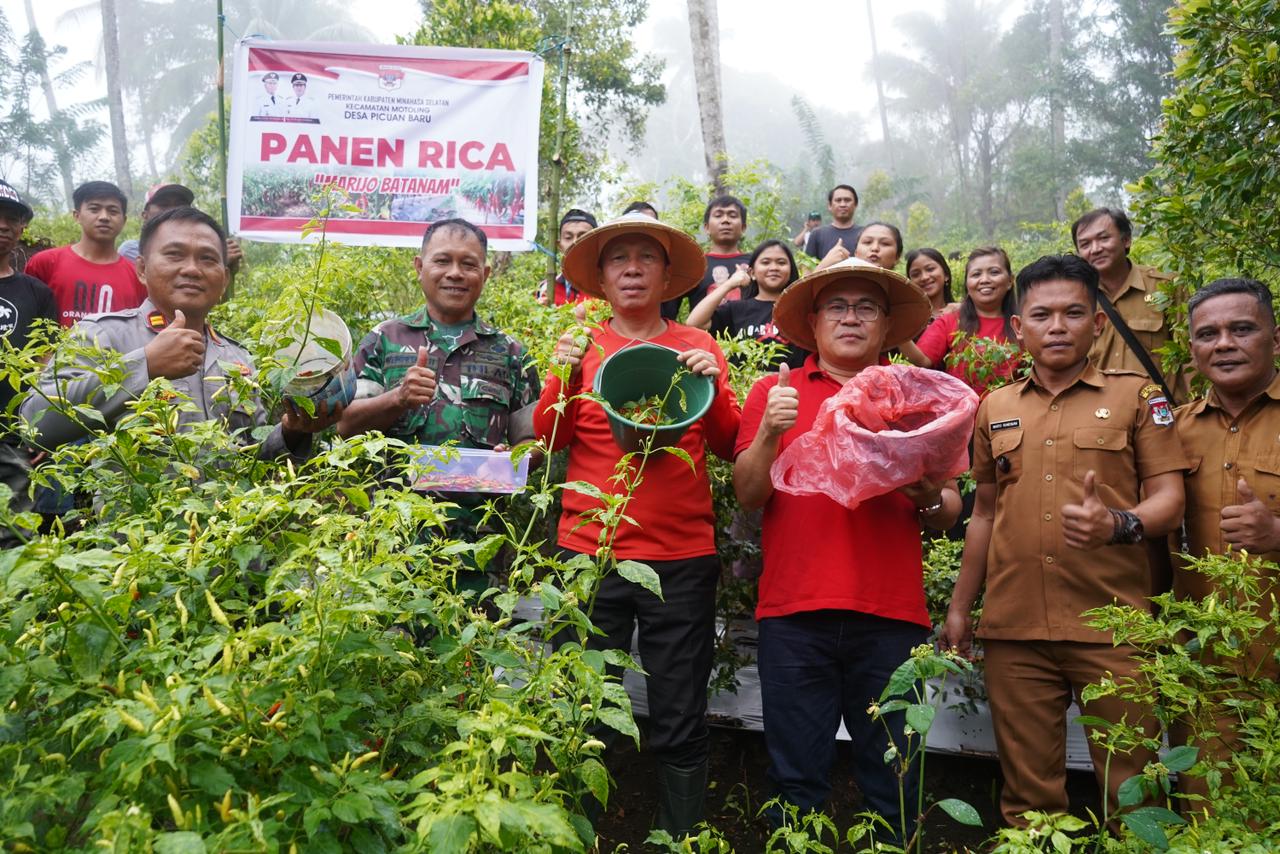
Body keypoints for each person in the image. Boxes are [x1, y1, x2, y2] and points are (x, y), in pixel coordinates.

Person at [940, 254, 1186, 827]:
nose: (1057, 326)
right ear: (1018, 326)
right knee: (1027, 801)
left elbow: (1169, 500)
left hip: (1113, 628)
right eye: (1042, 314)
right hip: (1014, 628)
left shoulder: (1138, 397)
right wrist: (959, 608)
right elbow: (984, 515)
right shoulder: (994, 407)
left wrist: (1117, 525)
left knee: (1135, 793)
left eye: (1074, 313)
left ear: (1098, 323)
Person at [733, 256, 959, 840]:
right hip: (794, 614)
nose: (851, 318)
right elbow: (749, 495)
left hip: (890, 617)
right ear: (813, 321)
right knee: (796, 780)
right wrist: (767, 434)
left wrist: (928, 493)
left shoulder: (914, 399)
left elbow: (947, 512)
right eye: (838, 306)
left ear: (887, 326)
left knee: (894, 781)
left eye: (867, 308)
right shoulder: (773, 391)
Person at [534, 214, 741, 837]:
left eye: (643, 258)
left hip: (679, 558)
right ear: (599, 277)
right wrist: (562, 374)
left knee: (679, 710)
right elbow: (549, 440)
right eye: (617, 259)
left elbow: (730, 444)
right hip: (589, 553)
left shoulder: (697, 348)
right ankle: (579, 833)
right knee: (583, 707)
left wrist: (719, 388)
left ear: (665, 274)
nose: (630, 268)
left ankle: (678, 839)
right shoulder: (582, 342)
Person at [20, 207, 338, 456]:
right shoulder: (102, 335)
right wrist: (142, 366)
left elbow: (249, 458)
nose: (191, 269)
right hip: (134, 536)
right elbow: (35, 423)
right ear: (142, 269)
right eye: (174, 255)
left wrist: (291, 432)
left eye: (207, 258)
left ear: (224, 278)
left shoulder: (237, 357)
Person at [337, 219, 541, 587]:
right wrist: (397, 399)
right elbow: (345, 425)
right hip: (394, 546)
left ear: (486, 273)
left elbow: (534, 441)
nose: (455, 273)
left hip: (480, 551)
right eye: (442, 261)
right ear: (419, 267)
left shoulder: (510, 352)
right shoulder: (383, 340)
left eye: (469, 264)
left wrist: (513, 458)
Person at [1166, 277, 1280, 803]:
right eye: (1207, 334)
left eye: (1242, 329)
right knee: (1206, 805)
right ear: (1192, 350)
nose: (1224, 344)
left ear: (1275, 339)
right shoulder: (1172, 431)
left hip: (1272, 657)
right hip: (1202, 663)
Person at [1071, 208, 1181, 399]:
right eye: (1085, 244)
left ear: (1126, 240)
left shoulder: (1165, 287)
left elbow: (1190, 354)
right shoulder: (1075, 298)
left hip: (1160, 411)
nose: (1095, 249)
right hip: (1101, 414)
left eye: (1104, 238)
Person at [0, 182, 57, 545]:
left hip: (14, 436)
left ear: (23, 228)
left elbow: (47, 364)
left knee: (15, 537)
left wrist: (42, 428)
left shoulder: (37, 293)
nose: (3, 226)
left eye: (12, 218)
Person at [24, 181, 146, 328]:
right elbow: (25, 318)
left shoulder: (137, 277)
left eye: (113, 211)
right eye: (94, 209)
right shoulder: (45, 263)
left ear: (124, 220)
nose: (104, 217)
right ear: (77, 215)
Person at [902, 246, 1022, 394]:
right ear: (967, 284)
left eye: (994, 272)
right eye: (976, 274)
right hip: (963, 412)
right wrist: (897, 327)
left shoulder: (1024, 324)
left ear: (1010, 281)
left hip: (1010, 412)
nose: (984, 280)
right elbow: (922, 361)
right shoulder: (949, 322)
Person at [685, 239, 807, 369]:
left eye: (781, 263)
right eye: (765, 262)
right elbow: (694, 323)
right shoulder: (736, 309)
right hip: (744, 387)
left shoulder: (801, 310)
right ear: (752, 273)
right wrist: (730, 283)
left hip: (792, 387)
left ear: (790, 271)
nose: (774, 268)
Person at [661, 194, 751, 320]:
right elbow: (667, 311)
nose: (726, 220)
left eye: (732, 215)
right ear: (706, 227)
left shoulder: (756, 263)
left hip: (749, 338)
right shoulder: (695, 264)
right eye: (718, 215)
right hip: (702, 337)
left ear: (743, 227)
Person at [119, 184, 243, 273]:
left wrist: (221, 263)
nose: (174, 211)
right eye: (164, 205)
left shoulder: (205, 247)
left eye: (180, 205)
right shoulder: (131, 251)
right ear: (145, 215)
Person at [537, 208, 597, 306]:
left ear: (596, 243)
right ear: (559, 246)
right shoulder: (546, 289)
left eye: (583, 236)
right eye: (568, 237)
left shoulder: (610, 287)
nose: (575, 242)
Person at [804, 184, 861, 263]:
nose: (843, 204)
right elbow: (807, 271)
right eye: (838, 200)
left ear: (855, 205)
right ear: (829, 205)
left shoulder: (865, 234)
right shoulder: (817, 234)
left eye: (847, 200)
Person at [905, 247, 956, 320]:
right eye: (916, 274)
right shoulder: (906, 319)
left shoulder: (963, 313)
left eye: (930, 269)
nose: (924, 277)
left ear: (946, 274)